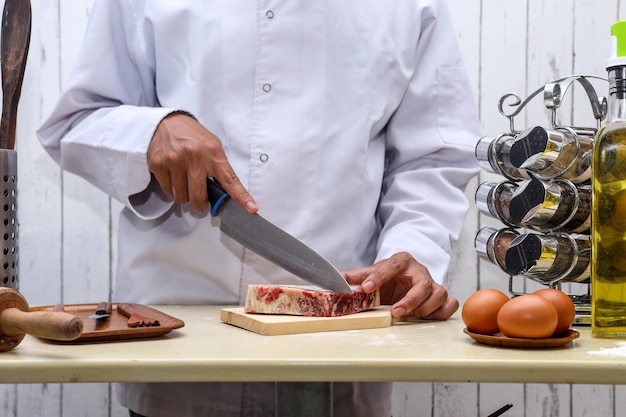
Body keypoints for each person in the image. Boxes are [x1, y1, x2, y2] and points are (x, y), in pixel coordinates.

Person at [37, 1, 481, 416]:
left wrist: (411, 248)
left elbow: (434, 157)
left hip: (343, 349)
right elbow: (76, 121)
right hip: (174, 353)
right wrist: (151, 130)